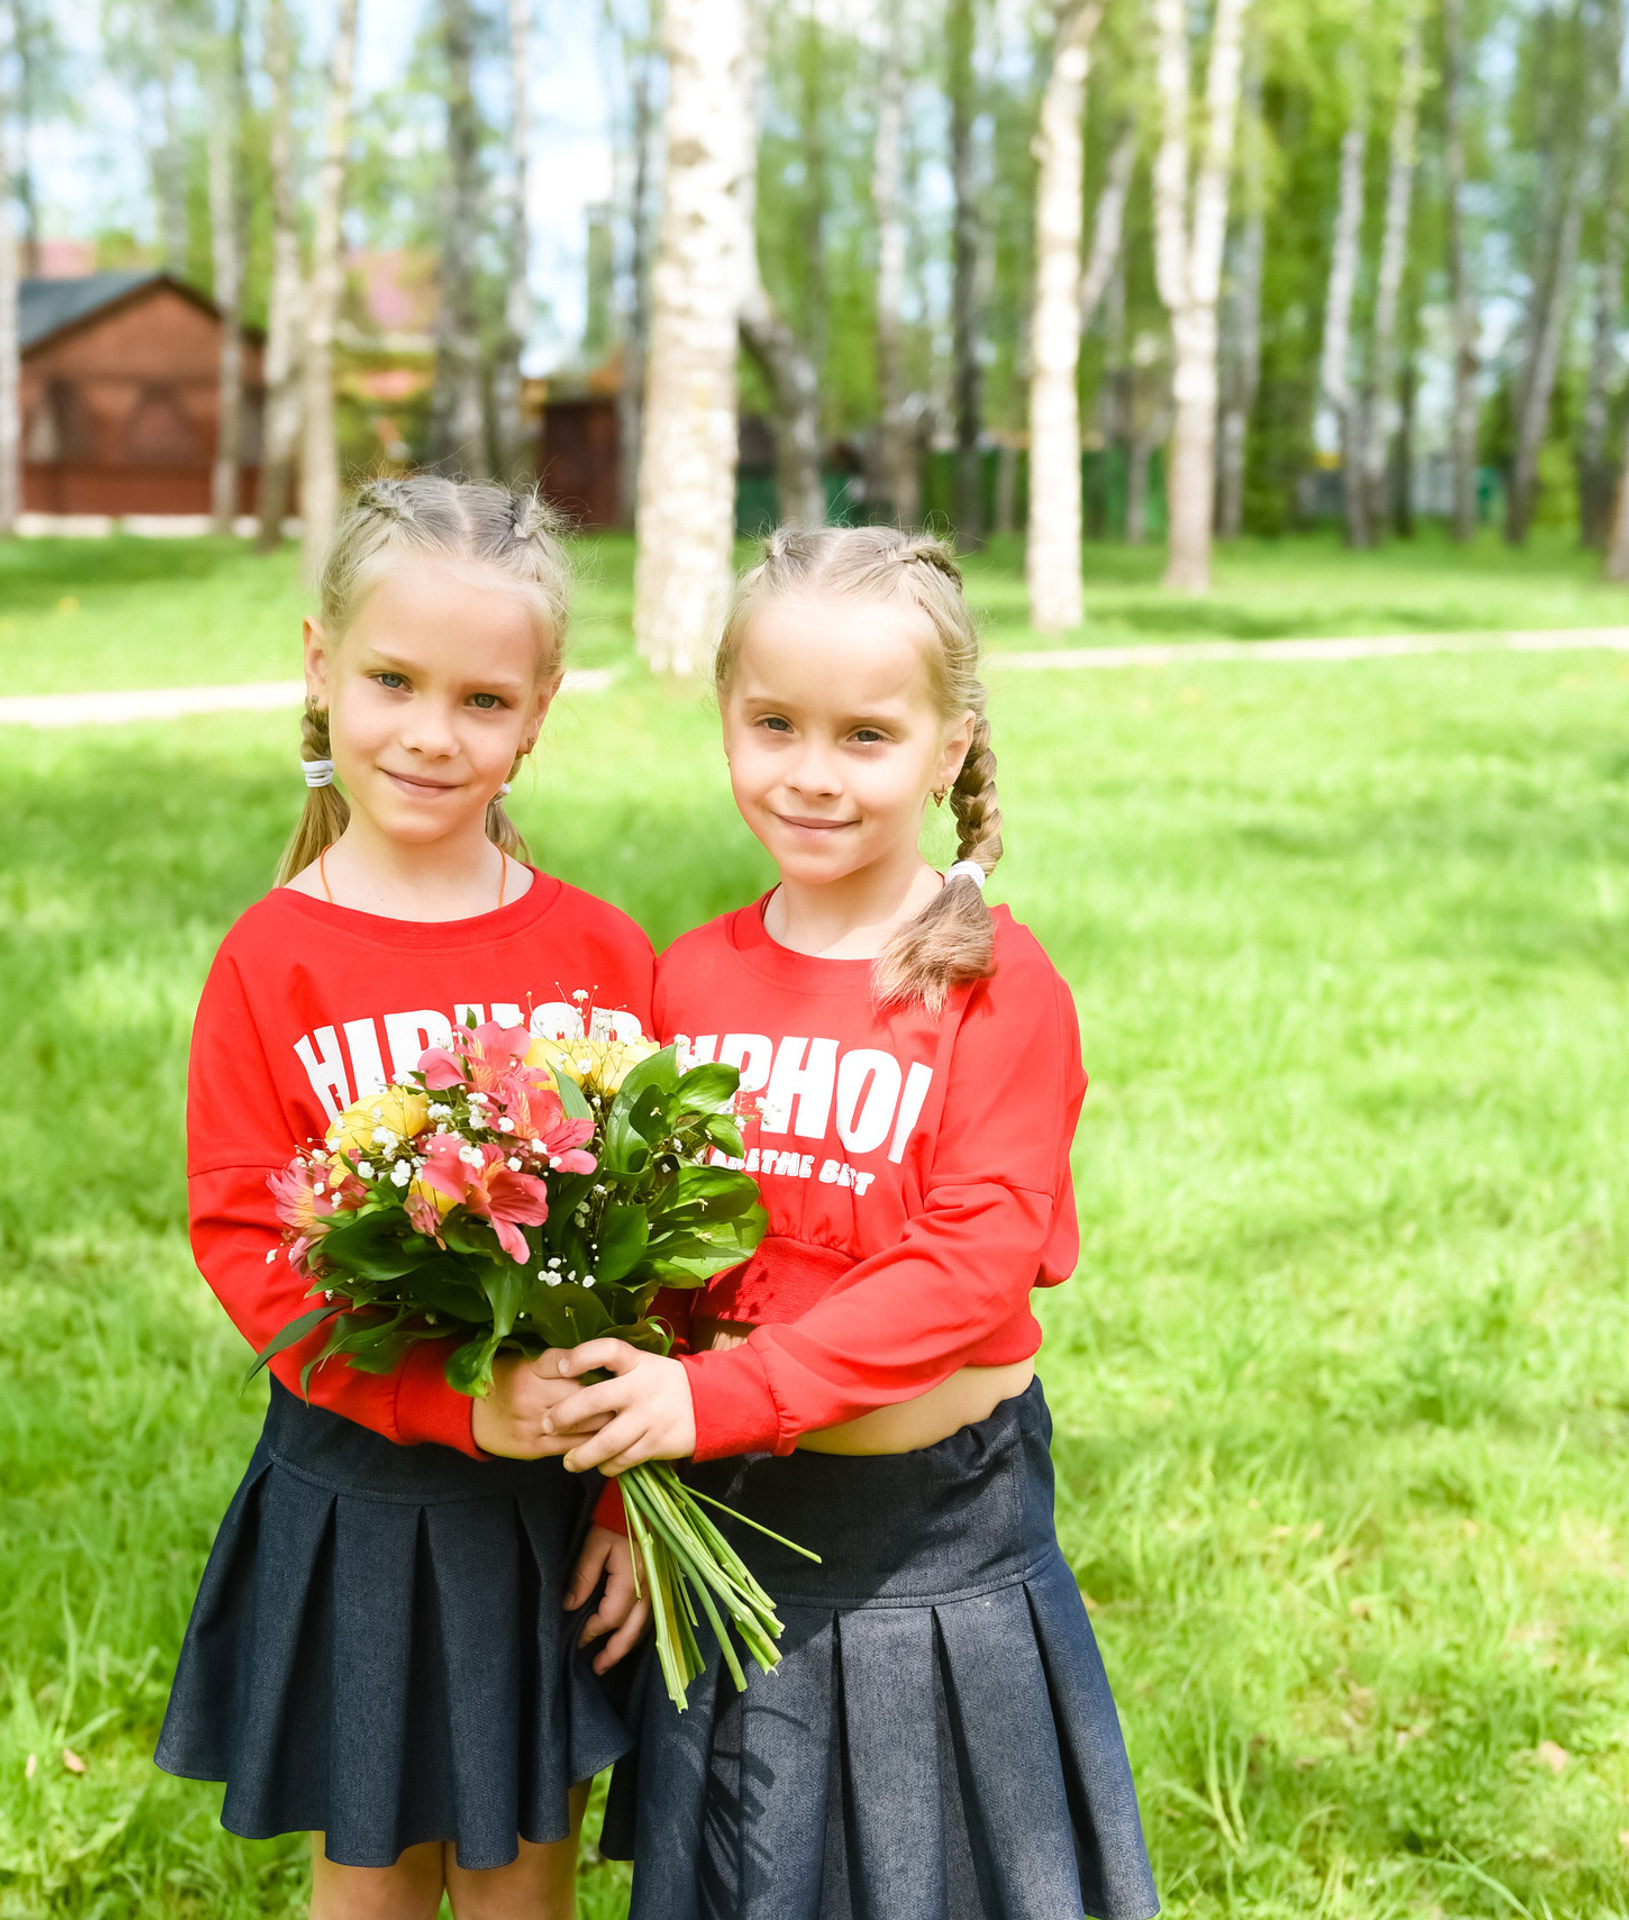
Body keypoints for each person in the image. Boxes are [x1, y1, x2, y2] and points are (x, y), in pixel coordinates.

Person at [542, 526, 1159, 1920]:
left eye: (866, 735)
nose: (811, 772)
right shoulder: (687, 981)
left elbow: (974, 1258)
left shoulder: (998, 989)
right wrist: (631, 1496)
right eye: (773, 724)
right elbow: (651, 1276)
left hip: (939, 1548)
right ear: (724, 719)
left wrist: (725, 1396)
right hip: (737, 1520)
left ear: (948, 750)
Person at [155, 476, 652, 1920]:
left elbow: (656, 1264)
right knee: (370, 1875)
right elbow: (251, 1247)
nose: (432, 734)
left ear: (541, 709)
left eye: (483, 701)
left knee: (519, 1872)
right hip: (367, 1492)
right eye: (391, 681)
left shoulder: (600, 957)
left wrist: (625, 1487)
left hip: (544, 1515)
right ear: (320, 666)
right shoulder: (273, 959)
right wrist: (451, 1403)